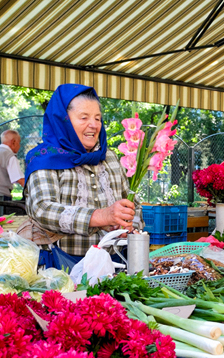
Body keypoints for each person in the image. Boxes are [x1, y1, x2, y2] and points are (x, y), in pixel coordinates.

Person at [25, 84, 141, 270]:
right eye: (83, 118)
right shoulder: (43, 158)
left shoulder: (108, 157)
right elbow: (42, 209)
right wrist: (100, 216)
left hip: (114, 263)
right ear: (63, 120)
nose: (93, 125)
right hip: (61, 266)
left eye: (97, 118)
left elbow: (132, 203)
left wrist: (127, 225)